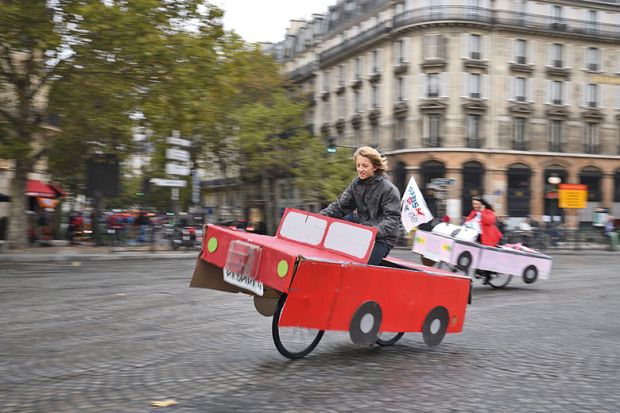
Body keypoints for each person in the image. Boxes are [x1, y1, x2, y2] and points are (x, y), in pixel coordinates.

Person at [320, 146, 401, 265]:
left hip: (383, 239)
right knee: (340, 258)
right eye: (358, 165)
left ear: (375, 166)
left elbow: (392, 218)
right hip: (363, 234)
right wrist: (319, 218)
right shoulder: (356, 184)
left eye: (365, 166)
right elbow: (340, 206)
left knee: (363, 265)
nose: (360, 169)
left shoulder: (388, 189)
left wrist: (374, 232)